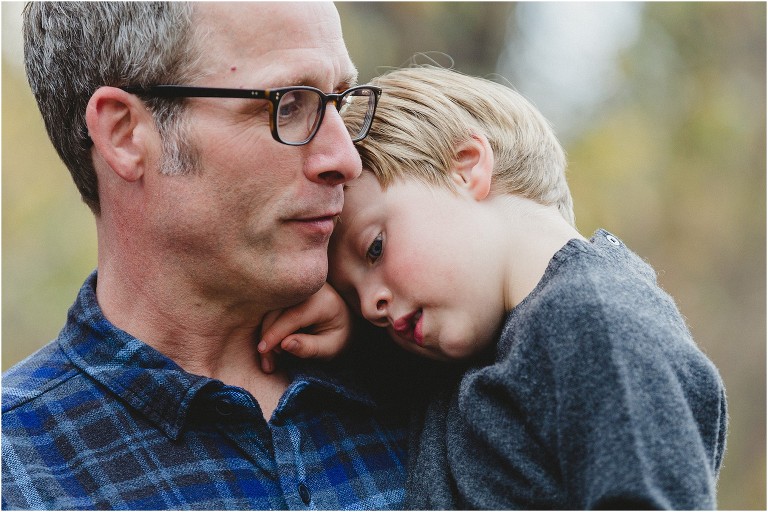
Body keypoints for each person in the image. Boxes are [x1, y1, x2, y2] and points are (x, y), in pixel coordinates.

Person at [2, 3, 414, 509]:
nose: (344, 158)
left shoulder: (431, 373)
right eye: (288, 105)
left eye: (340, 103)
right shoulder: (19, 473)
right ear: (125, 134)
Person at [264, 66, 729, 509]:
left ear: (466, 168)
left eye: (375, 249)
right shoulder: (477, 346)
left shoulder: (599, 325)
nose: (371, 306)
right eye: (353, 295)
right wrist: (349, 330)